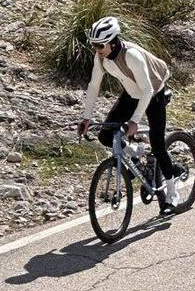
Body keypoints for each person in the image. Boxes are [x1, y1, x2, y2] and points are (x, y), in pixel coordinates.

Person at [78, 15, 181, 212]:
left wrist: (134, 121)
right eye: (94, 45)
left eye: (100, 45)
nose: (96, 50)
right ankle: (135, 155)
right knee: (105, 135)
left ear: (112, 42)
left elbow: (148, 90)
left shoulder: (131, 55)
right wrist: (86, 118)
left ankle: (172, 192)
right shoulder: (101, 58)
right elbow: (93, 86)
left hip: (154, 93)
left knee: (158, 145)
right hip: (132, 93)